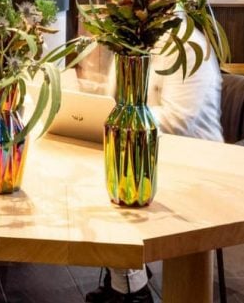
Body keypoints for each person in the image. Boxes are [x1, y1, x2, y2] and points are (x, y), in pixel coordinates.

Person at [86, 21, 223, 303]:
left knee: (122, 180)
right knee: (102, 177)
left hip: (193, 158)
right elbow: (117, 99)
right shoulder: (130, 40)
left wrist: (122, 122)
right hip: (149, 149)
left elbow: (178, 119)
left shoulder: (187, 45)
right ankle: (123, 280)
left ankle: (133, 290)